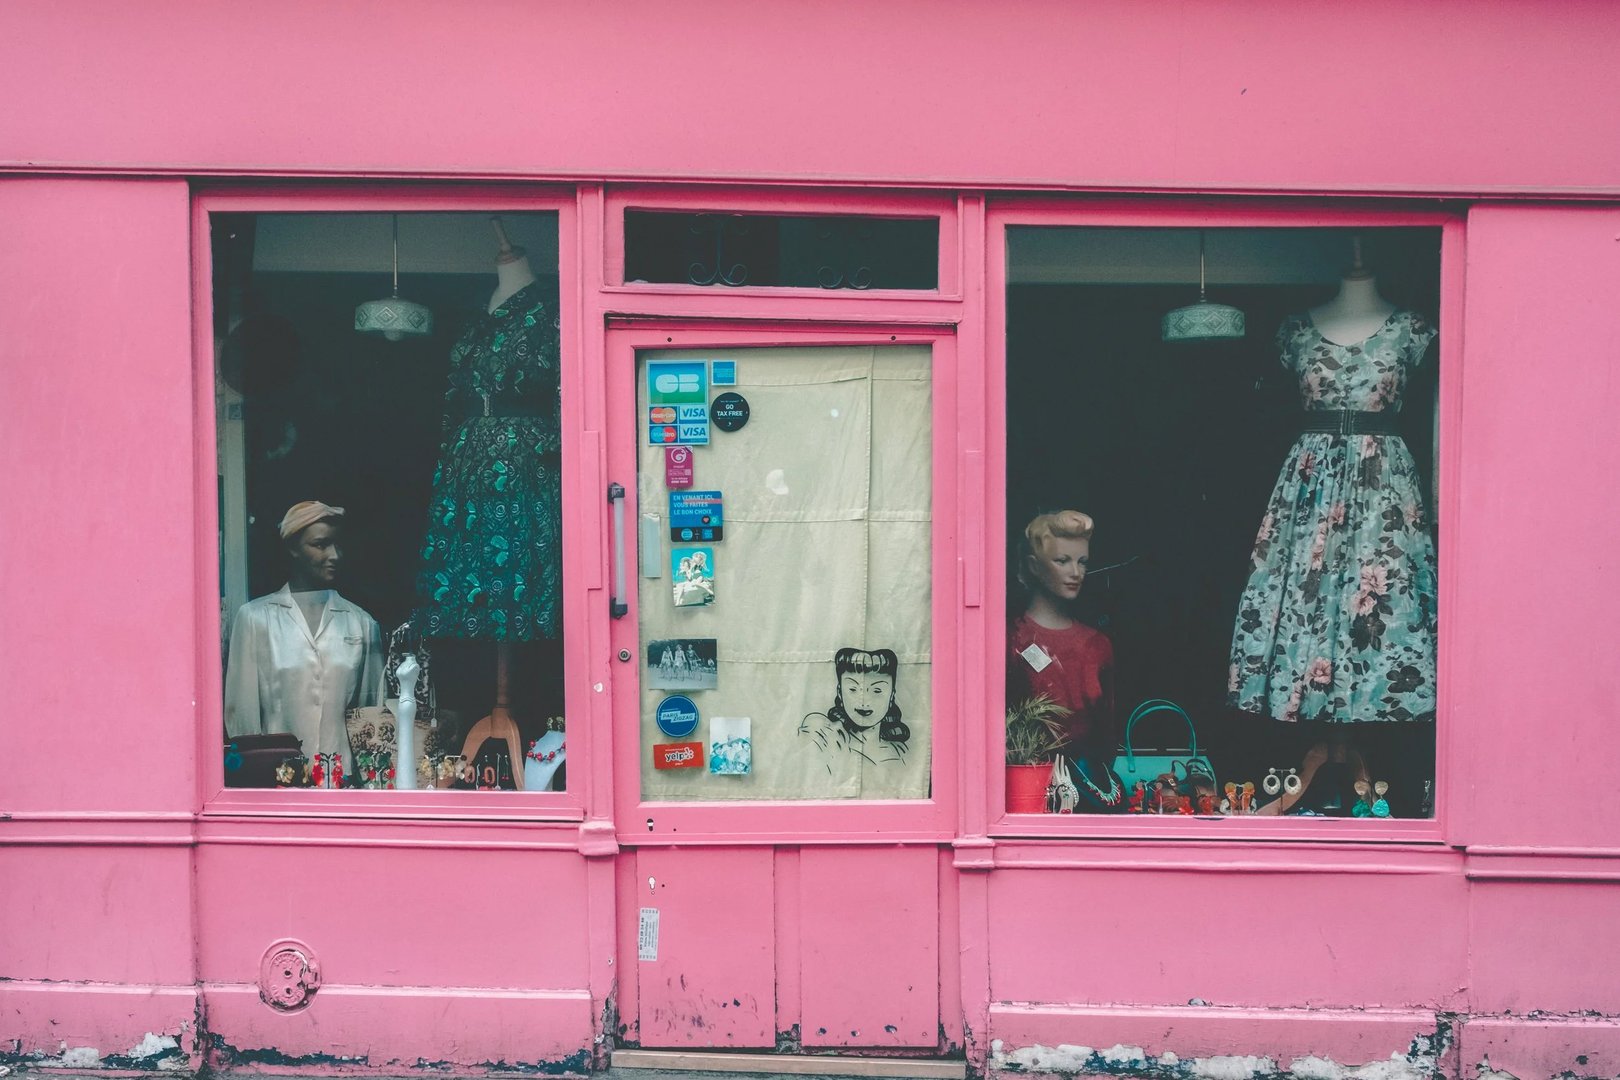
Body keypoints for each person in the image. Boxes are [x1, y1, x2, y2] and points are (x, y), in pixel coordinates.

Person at [224, 501, 384, 775]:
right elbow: (242, 715)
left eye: (337, 545)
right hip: (277, 782)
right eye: (321, 545)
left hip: (343, 783)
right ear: (293, 549)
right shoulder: (256, 619)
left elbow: (371, 715)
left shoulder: (361, 624)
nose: (334, 555)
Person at [1007, 510, 1118, 803]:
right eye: (1062, 561)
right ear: (1034, 566)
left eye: (1082, 562)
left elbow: (1107, 733)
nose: (1076, 573)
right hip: (1029, 791)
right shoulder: (1011, 639)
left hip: (1090, 792)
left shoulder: (1097, 645)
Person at [798, 647, 911, 768]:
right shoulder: (826, 736)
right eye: (853, 689)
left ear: (891, 696)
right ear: (840, 692)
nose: (864, 701)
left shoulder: (900, 751)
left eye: (877, 691)